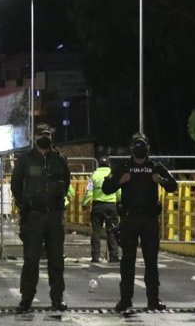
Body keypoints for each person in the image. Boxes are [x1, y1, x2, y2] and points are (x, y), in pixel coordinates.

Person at [102, 133, 179, 312]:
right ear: (131, 148)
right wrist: (120, 181)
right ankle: (125, 300)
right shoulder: (124, 166)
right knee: (127, 261)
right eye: (137, 144)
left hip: (149, 220)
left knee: (151, 261)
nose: (140, 148)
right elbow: (106, 188)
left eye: (143, 144)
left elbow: (173, 185)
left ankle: (153, 299)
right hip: (129, 219)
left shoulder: (154, 166)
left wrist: (160, 180)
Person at [10, 123, 72, 313]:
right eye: (41, 134)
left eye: (48, 134)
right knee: (31, 260)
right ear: (34, 137)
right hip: (33, 216)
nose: (45, 137)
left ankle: (57, 299)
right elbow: (15, 185)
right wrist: (24, 204)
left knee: (56, 260)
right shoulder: (25, 160)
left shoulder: (59, 160)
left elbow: (67, 181)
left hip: (54, 216)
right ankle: (26, 298)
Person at [82, 161, 121, 263]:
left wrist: (85, 204)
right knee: (112, 231)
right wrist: (120, 201)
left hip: (97, 206)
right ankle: (114, 256)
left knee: (96, 231)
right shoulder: (113, 175)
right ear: (109, 164)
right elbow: (118, 191)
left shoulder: (94, 175)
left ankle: (95, 256)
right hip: (111, 206)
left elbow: (89, 191)